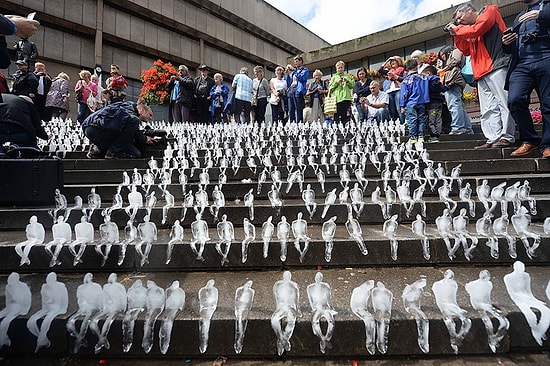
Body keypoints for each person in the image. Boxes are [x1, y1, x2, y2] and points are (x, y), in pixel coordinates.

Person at [449, 2, 515, 149]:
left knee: (504, 102)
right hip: (480, 71)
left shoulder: (489, 10)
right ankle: (492, 137)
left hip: (497, 64)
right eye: (457, 21)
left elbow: (478, 29)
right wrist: (456, 35)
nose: (459, 22)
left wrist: (458, 29)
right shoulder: (469, 30)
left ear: (470, 10)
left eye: (460, 17)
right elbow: (465, 50)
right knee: (487, 108)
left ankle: (507, 136)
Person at [503, 0, 550, 158]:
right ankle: (530, 139)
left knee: (548, 103)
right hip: (522, 64)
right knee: (514, 100)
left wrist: (542, 15)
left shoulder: (547, 6)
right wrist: (507, 43)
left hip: (546, 57)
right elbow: (515, 44)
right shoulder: (519, 16)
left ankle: (548, 144)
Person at [82, 101, 154, 159]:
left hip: (88, 127)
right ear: (142, 110)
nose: (150, 118)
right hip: (96, 128)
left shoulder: (127, 105)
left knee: (136, 153)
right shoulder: (132, 115)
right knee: (135, 120)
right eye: (150, 115)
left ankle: (96, 151)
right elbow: (132, 131)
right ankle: (113, 152)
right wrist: (144, 139)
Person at [438, 46, 473, 135]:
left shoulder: (456, 51)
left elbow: (456, 61)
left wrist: (443, 69)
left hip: (453, 81)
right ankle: (467, 128)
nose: (442, 57)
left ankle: (458, 127)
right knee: (457, 105)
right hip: (451, 81)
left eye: (442, 54)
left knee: (454, 105)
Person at [400, 59, 430, 143]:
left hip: (411, 102)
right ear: (416, 67)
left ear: (407, 69)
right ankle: (421, 136)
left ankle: (413, 137)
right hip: (422, 101)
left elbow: (404, 94)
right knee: (421, 119)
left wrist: (402, 105)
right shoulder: (424, 77)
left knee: (412, 120)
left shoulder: (406, 80)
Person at [422, 65, 449, 143]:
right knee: (438, 120)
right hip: (439, 103)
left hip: (431, 103)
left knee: (431, 120)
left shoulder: (428, 82)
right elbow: (442, 88)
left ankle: (433, 137)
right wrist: (448, 86)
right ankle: (438, 135)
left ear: (428, 73)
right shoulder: (437, 81)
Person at [379, 56, 405, 123]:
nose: (392, 62)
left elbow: (404, 79)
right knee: (392, 110)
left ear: (398, 61)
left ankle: (402, 124)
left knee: (399, 108)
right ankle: (395, 124)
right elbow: (380, 70)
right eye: (391, 62)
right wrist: (387, 60)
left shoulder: (402, 70)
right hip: (390, 91)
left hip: (398, 90)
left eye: (394, 61)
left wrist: (395, 76)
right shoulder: (390, 71)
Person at [287, 56, 309, 123]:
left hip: (298, 90)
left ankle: (299, 124)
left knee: (299, 109)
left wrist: (294, 70)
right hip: (291, 90)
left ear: (301, 61)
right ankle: (292, 124)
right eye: (295, 62)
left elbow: (302, 78)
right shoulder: (293, 72)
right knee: (291, 109)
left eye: (297, 61)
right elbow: (288, 83)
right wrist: (287, 74)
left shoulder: (305, 70)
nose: (295, 63)